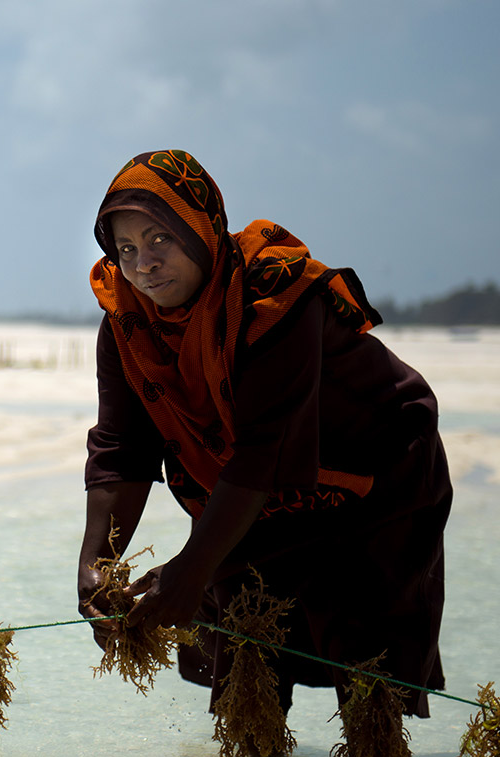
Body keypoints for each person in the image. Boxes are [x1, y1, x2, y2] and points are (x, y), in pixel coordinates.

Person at [76, 149, 449, 719]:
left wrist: (193, 566)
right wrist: (98, 559)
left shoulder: (275, 298)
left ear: (201, 232)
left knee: (366, 671)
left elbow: (262, 450)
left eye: (159, 240)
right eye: (125, 249)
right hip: (252, 492)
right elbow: (123, 445)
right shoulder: (127, 320)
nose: (143, 265)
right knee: (247, 667)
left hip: (372, 478)